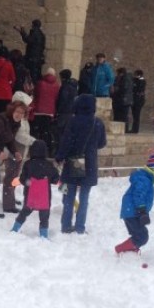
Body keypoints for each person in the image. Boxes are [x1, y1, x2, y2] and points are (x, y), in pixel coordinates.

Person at [55, 93, 107, 234]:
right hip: (89, 164)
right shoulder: (98, 122)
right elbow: (102, 143)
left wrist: (59, 157)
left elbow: (66, 142)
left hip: (72, 162)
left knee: (69, 197)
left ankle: (66, 226)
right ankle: (80, 227)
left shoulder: (72, 121)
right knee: (84, 198)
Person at [114, 152, 154, 254]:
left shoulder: (146, 180)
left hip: (132, 211)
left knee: (140, 235)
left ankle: (131, 249)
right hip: (132, 212)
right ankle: (120, 249)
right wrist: (142, 210)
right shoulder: (144, 180)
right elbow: (138, 195)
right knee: (142, 236)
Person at [10, 140, 60, 239]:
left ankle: (15, 229)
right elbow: (55, 179)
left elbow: (22, 179)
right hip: (44, 197)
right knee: (44, 217)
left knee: (24, 212)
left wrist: (28, 182)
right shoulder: (48, 165)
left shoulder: (28, 164)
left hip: (30, 196)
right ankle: (43, 235)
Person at [1, 90, 35, 212]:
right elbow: (20, 136)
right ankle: (8, 205)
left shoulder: (23, 118)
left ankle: (10, 198)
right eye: (27, 106)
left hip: (19, 152)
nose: (30, 108)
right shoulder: (17, 118)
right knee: (10, 177)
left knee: (15, 177)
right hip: (13, 151)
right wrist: (34, 142)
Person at [31, 67, 60, 155]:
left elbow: (35, 94)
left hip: (39, 110)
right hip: (49, 112)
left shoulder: (40, 83)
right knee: (46, 131)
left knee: (37, 131)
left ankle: (35, 148)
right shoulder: (57, 85)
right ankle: (46, 149)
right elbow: (57, 98)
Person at [14, 19, 46, 84]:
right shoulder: (42, 34)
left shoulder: (35, 33)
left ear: (33, 25)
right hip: (38, 58)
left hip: (32, 58)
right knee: (37, 75)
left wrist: (22, 30)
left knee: (32, 76)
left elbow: (28, 40)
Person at [54, 69, 78, 149]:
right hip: (71, 112)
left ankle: (60, 150)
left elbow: (63, 100)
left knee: (61, 132)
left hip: (64, 112)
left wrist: (58, 110)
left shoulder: (65, 87)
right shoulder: (74, 86)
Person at [130, 69, 146, 134]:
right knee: (134, 115)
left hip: (138, 101)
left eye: (135, 74)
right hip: (134, 100)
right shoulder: (135, 80)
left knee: (136, 115)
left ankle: (135, 129)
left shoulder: (142, 81)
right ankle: (133, 128)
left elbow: (138, 89)